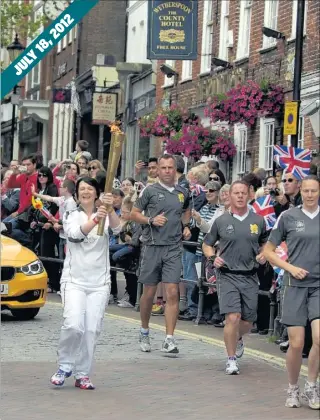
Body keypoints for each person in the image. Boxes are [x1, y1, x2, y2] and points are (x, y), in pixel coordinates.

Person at [50, 177, 121, 390]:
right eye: (82, 189)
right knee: (73, 325)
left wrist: (109, 210)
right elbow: (74, 235)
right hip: (74, 281)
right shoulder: (72, 214)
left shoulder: (106, 213)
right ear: (77, 193)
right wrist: (96, 219)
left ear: (97, 192)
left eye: (90, 188)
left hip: (99, 282)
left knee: (91, 330)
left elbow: (118, 230)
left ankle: (82, 373)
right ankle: (64, 365)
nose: (86, 192)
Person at [263, 175, 320, 410]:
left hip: (319, 286)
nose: (309, 195)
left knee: (319, 339)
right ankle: (293, 387)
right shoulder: (288, 217)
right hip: (294, 285)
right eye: (306, 191)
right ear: (300, 191)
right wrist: (290, 268)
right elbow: (268, 251)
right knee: (296, 344)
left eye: (313, 191)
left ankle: (312, 385)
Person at [202, 181, 268, 375]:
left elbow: (265, 243)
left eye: (243, 193)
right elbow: (207, 245)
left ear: (249, 195)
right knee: (232, 317)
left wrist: (264, 254)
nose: (240, 196)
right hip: (227, 275)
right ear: (229, 196)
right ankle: (231, 360)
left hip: (250, 276)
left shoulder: (258, 220)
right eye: (236, 193)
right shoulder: (221, 221)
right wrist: (213, 257)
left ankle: (237, 337)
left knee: (247, 321)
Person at [131, 154, 191, 354]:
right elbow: (134, 214)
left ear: (175, 170)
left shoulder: (183, 192)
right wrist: (150, 220)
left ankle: (169, 339)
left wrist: (186, 225)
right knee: (149, 293)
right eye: (163, 168)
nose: (166, 171)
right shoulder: (150, 191)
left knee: (172, 291)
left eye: (170, 168)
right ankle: (144, 330)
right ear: (158, 170)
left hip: (173, 248)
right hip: (152, 247)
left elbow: (187, 210)